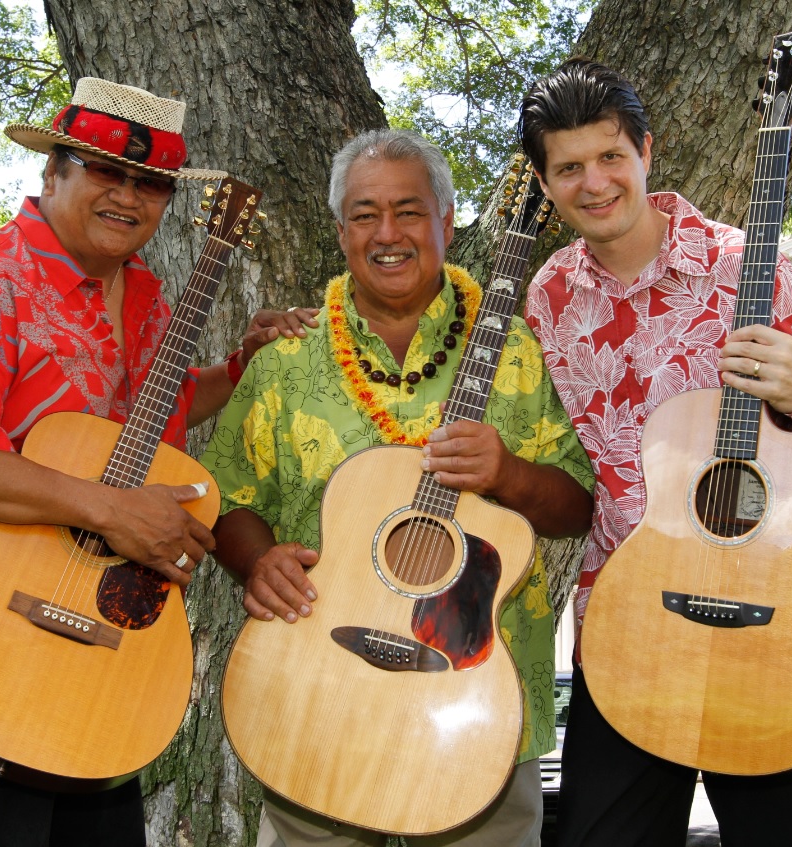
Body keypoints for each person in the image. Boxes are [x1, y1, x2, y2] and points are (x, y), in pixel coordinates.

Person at [0, 77, 317, 847]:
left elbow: (145, 426)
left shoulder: (145, 302)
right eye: (106, 170)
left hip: (98, 667)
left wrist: (240, 367)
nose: (128, 196)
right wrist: (112, 511)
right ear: (52, 172)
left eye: (150, 183)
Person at [517, 58, 792, 847]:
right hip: (628, 625)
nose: (594, 181)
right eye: (568, 167)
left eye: (610, 156)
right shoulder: (548, 296)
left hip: (769, 620)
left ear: (646, 150)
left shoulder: (741, 263)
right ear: (545, 185)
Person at [203, 128, 595, 847]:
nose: (387, 233)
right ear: (340, 229)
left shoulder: (512, 352)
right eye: (364, 213)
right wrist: (256, 561)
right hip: (314, 689)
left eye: (409, 210)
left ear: (445, 222)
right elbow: (229, 500)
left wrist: (506, 472)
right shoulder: (285, 359)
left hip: (473, 700)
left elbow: (576, 505)